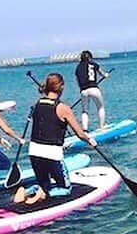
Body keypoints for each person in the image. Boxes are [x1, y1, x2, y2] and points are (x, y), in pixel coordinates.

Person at [13, 73, 96, 205]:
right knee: (66, 188)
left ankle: (29, 191)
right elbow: (80, 134)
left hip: (34, 151)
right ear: (61, 87)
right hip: (52, 154)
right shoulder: (63, 108)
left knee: (44, 183)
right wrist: (90, 140)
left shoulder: (36, 104)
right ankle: (43, 193)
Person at [75, 50, 109, 130]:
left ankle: (85, 130)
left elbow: (78, 81)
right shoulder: (94, 64)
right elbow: (102, 73)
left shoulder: (78, 67)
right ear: (90, 57)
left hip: (83, 91)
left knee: (85, 111)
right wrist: (106, 75)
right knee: (100, 107)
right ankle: (102, 127)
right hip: (94, 88)